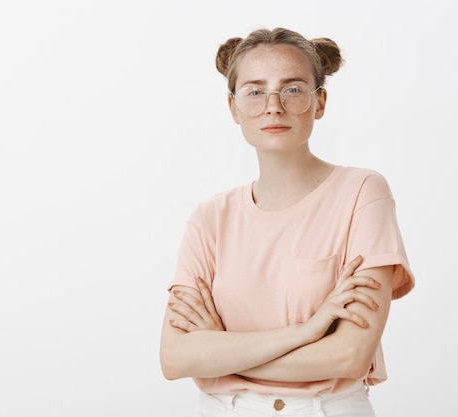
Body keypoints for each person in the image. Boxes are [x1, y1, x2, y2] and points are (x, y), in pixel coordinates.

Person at [159, 27, 415, 416]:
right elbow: (175, 358)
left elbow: (348, 356)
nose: (273, 105)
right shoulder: (210, 217)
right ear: (233, 107)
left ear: (320, 102)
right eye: (255, 90)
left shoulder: (362, 192)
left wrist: (219, 353)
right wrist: (307, 331)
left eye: (293, 89)